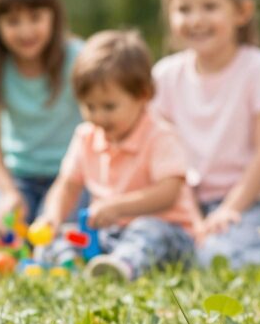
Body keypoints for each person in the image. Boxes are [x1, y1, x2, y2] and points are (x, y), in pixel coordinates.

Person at [152, 0, 260, 268]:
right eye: (184, 9)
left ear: (242, 12)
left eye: (210, 7)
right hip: (192, 204)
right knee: (155, 243)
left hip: (255, 204)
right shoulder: (165, 76)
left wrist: (230, 209)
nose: (196, 20)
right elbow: (167, 158)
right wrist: (192, 216)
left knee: (214, 258)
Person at [32, 31, 198, 280]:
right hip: (109, 234)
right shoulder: (86, 137)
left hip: (168, 233)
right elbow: (67, 185)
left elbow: (169, 192)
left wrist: (118, 207)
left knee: (147, 231)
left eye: (109, 107)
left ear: (143, 95)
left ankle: (122, 266)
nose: (98, 117)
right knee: (64, 234)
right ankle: (71, 263)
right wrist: (52, 217)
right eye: (89, 106)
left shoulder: (159, 136)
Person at [0, 0, 84, 226]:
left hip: (70, 176)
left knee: (55, 237)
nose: (26, 30)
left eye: (35, 18)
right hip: (17, 178)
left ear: (53, 15)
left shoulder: (79, 60)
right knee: (5, 236)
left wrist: (66, 188)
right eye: (13, 21)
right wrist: (8, 192)